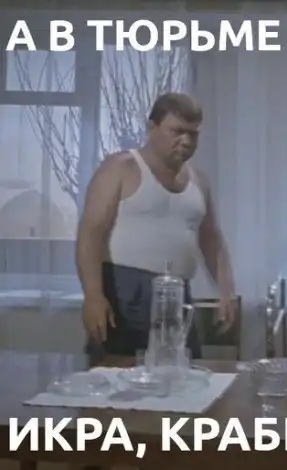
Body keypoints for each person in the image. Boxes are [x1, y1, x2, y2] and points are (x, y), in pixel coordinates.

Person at [76, 92, 236, 363]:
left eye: (193, 134)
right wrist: (92, 295)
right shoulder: (120, 167)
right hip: (124, 291)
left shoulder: (200, 180)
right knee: (117, 377)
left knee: (181, 375)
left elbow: (212, 239)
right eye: (177, 131)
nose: (186, 141)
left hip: (177, 294)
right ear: (152, 128)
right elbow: (90, 234)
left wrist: (227, 291)